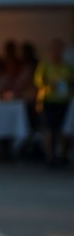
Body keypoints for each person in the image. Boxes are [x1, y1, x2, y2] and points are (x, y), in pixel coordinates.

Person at [35, 39, 73, 168]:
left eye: (59, 49)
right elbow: (38, 81)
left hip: (64, 101)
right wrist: (50, 85)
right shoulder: (45, 65)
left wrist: (68, 81)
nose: (56, 52)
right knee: (49, 129)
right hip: (48, 100)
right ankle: (50, 157)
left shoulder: (67, 66)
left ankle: (63, 155)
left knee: (65, 130)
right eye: (54, 50)